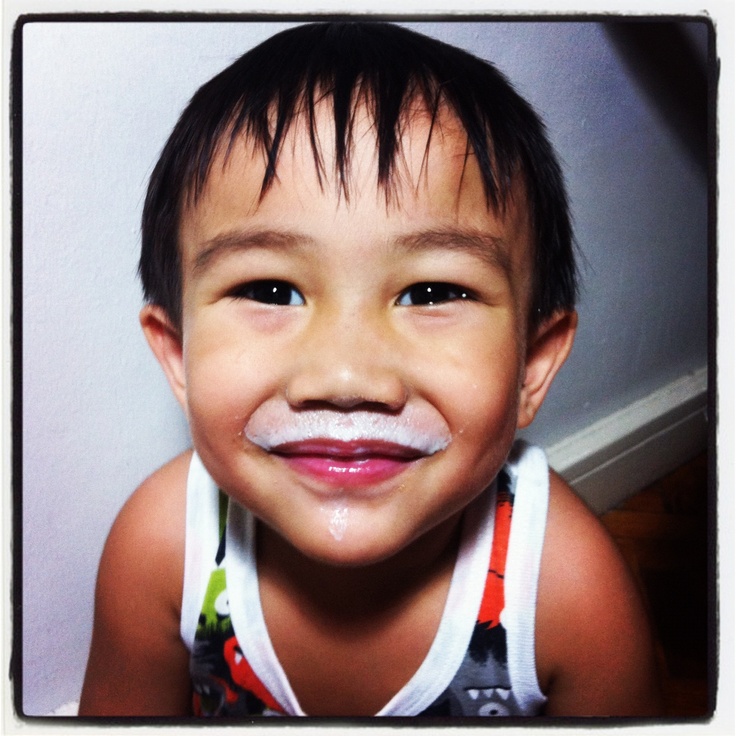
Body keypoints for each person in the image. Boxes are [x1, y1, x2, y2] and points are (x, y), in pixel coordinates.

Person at [78, 21, 661, 717]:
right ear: (177, 356)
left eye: (433, 292)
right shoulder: (159, 548)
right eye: (270, 291)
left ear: (533, 366)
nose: (347, 376)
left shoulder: (571, 595)